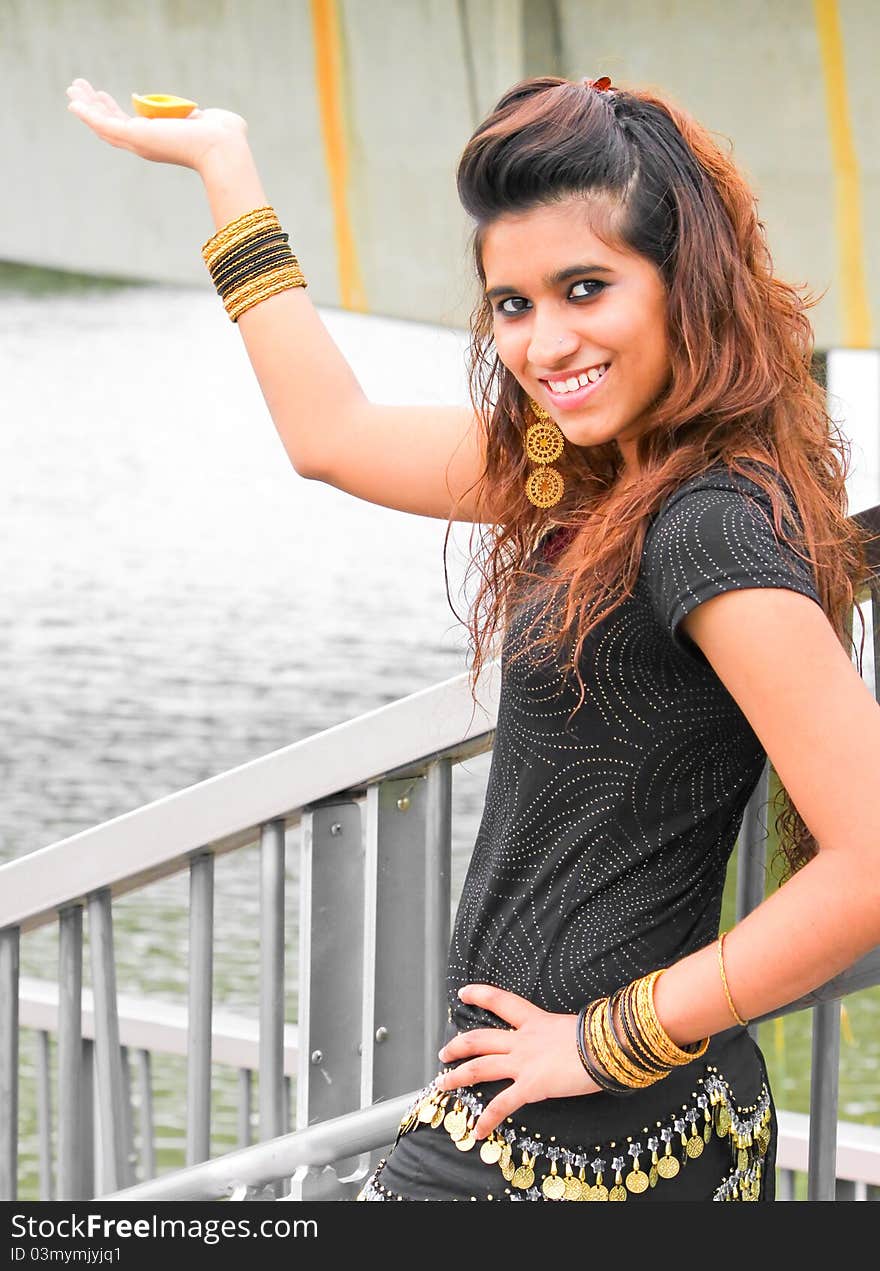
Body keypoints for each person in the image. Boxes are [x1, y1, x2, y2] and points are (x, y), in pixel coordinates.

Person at [65, 72, 880, 1204]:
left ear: (682, 284)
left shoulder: (704, 527)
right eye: (512, 304)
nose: (544, 344)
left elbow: (871, 858)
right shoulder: (587, 478)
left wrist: (607, 1042)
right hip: (586, 1116)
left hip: (576, 1134)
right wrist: (226, 167)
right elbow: (332, 435)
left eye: (585, 288)